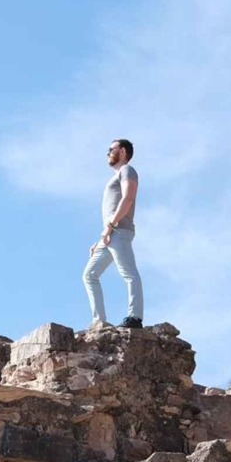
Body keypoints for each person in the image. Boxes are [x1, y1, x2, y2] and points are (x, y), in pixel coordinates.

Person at [83, 138, 143, 329]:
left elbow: (128, 197)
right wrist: (102, 235)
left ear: (123, 151)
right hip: (110, 234)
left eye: (111, 149)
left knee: (129, 274)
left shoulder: (127, 170)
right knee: (89, 275)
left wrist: (111, 224)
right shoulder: (117, 175)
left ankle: (135, 317)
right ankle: (99, 321)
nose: (108, 152)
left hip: (119, 231)